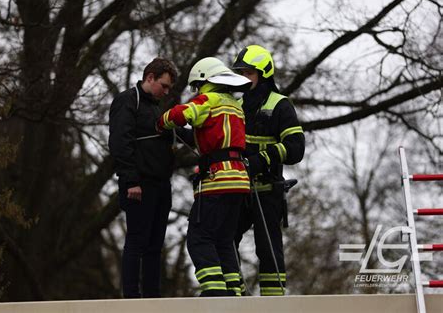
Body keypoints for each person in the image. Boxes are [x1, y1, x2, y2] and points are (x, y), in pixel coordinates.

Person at [156, 57, 252, 297]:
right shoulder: (235, 105)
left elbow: (182, 114)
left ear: (205, 80)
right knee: (224, 239)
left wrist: (161, 122)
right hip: (240, 179)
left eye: (197, 86)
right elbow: (213, 137)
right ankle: (234, 290)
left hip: (217, 180)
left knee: (199, 238)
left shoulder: (208, 99)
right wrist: (184, 134)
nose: (197, 91)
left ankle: (215, 292)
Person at [108, 57, 190, 298]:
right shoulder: (127, 100)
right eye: (163, 86)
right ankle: (132, 299)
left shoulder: (156, 108)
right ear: (150, 77)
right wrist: (131, 180)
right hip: (139, 184)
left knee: (155, 245)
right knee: (137, 241)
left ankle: (153, 300)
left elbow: (174, 132)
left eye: (169, 89)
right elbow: (120, 142)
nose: (165, 92)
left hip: (161, 184)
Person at [232, 45, 305, 296]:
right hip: (239, 188)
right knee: (225, 239)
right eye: (240, 73)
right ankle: (235, 295)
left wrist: (264, 158)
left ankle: (273, 303)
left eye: (248, 74)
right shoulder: (237, 105)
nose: (243, 79)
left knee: (268, 250)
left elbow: (296, 148)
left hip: (267, 190)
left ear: (263, 74)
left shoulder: (280, 105)